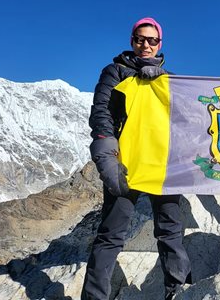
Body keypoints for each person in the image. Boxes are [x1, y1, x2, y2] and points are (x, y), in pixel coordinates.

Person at [82, 17, 192, 300]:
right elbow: (102, 114)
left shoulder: (170, 81)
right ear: (132, 41)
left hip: (162, 166)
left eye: (152, 40)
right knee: (111, 235)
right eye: (140, 39)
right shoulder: (115, 72)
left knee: (170, 232)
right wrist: (107, 157)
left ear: (160, 44)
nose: (146, 45)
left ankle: (177, 291)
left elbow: (184, 123)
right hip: (125, 164)